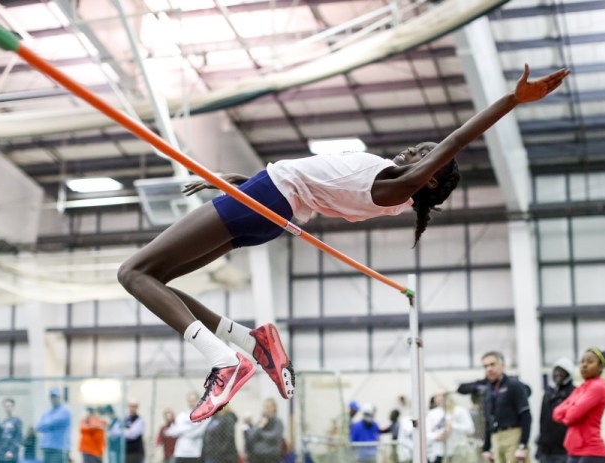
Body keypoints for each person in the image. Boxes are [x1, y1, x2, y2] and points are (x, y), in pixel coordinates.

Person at [116, 65, 570, 422]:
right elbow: (314, 180)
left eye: (421, 154)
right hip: (270, 206)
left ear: (430, 174)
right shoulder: (385, 183)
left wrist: (511, 100)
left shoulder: (397, 189)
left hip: (269, 200)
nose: (413, 150)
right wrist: (244, 184)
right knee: (156, 281)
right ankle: (252, 342)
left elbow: (455, 140)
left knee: (133, 273)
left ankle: (224, 360)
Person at [553, 348, 605, 463]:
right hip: (575, 452)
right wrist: (572, 407)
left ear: (600, 367)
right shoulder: (581, 388)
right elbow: (556, 413)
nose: (584, 365)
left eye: (590, 362)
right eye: (582, 361)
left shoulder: (598, 387)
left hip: (593, 453)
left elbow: (571, 416)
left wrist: (570, 408)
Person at [480, 352, 531, 463]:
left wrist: (523, 445)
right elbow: (488, 421)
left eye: (492, 364)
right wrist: (486, 448)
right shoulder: (487, 391)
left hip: (513, 436)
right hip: (496, 439)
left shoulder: (514, 385)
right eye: (485, 366)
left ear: (502, 366)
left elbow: (526, 415)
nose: (489, 369)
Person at [537, 358, 576, 463]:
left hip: (565, 451)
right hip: (546, 451)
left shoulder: (574, 393)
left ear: (569, 373)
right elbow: (542, 419)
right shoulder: (548, 393)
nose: (558, 374)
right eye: (556, 371)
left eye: (561, 371)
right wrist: (540, 445)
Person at [426, 389, 475, 463]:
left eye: (442, 395)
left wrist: (453, 426)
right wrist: (436, 436)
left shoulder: (459, 411)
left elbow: (470, 429)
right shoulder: (432, 414)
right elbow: (426, 432)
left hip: (457, 452)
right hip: (439, 453)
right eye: (437, 396)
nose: (440, 398)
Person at [164, 394, 207, 463]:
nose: (191, 402)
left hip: (195, 453)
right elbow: (173, 432)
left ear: (199, 401)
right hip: (181, 453)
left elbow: (198, 433)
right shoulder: (182, 415)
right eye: (190, 400)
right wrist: (191, 427)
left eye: (193, 400)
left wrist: (182, 430)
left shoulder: (203, 416)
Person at [35, 387, 71, 463]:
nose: (53, 399)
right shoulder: (47, 412)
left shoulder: (65, 411)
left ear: (59, 397)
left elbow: (52, 422)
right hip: (46, 447)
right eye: (52, 397)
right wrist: (49, 424)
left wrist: (47, 424)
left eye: (55, 396)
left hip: (58, 448)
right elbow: (38, 427)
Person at [243, 398, 284, 463]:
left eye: (268, 407)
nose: (266, 409)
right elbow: (252, 436)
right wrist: (260, 427)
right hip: (257, 456)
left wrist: (261, 434)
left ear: (274, 408)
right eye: (265, 407)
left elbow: (274, 437)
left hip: (271, 456)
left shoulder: (278, 422)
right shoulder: (261, 421)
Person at [0, 398, 23, 463]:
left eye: (9, 406)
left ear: (13, 407)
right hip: (2, 452)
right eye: (6, 406)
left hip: (11, 453)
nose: (8, 408)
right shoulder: (4, 421)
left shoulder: (17, 421)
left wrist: (11, 451)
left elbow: (18, 437)